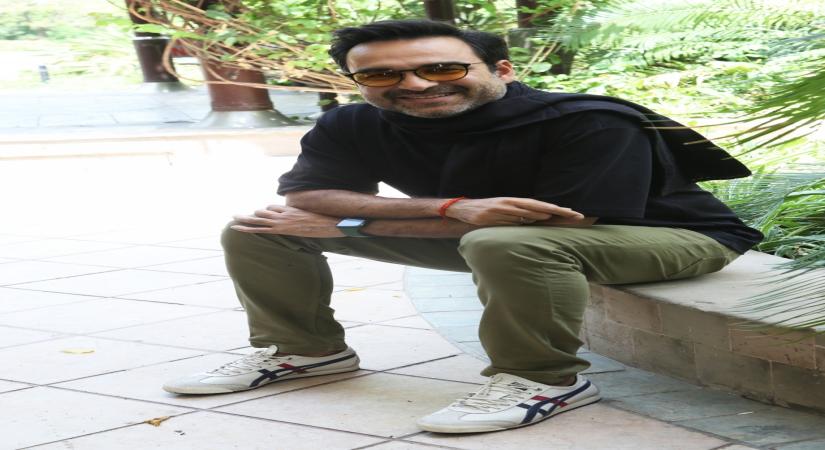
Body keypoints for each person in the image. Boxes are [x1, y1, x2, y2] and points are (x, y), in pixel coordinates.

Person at [163, 19, 763, 433]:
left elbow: (567, 222)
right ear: (358, 81)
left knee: (506, 240)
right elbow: (307, 195)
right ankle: (304, 351)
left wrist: (347, 227)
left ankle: (543, 380)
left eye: (442, 68)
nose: (416, 86)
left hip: (669, 237)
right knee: (257, 229)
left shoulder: (588, 121)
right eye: (382, 77)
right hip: (504, 242)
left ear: (498, 66)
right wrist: (451, 208)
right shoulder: (357, 123)